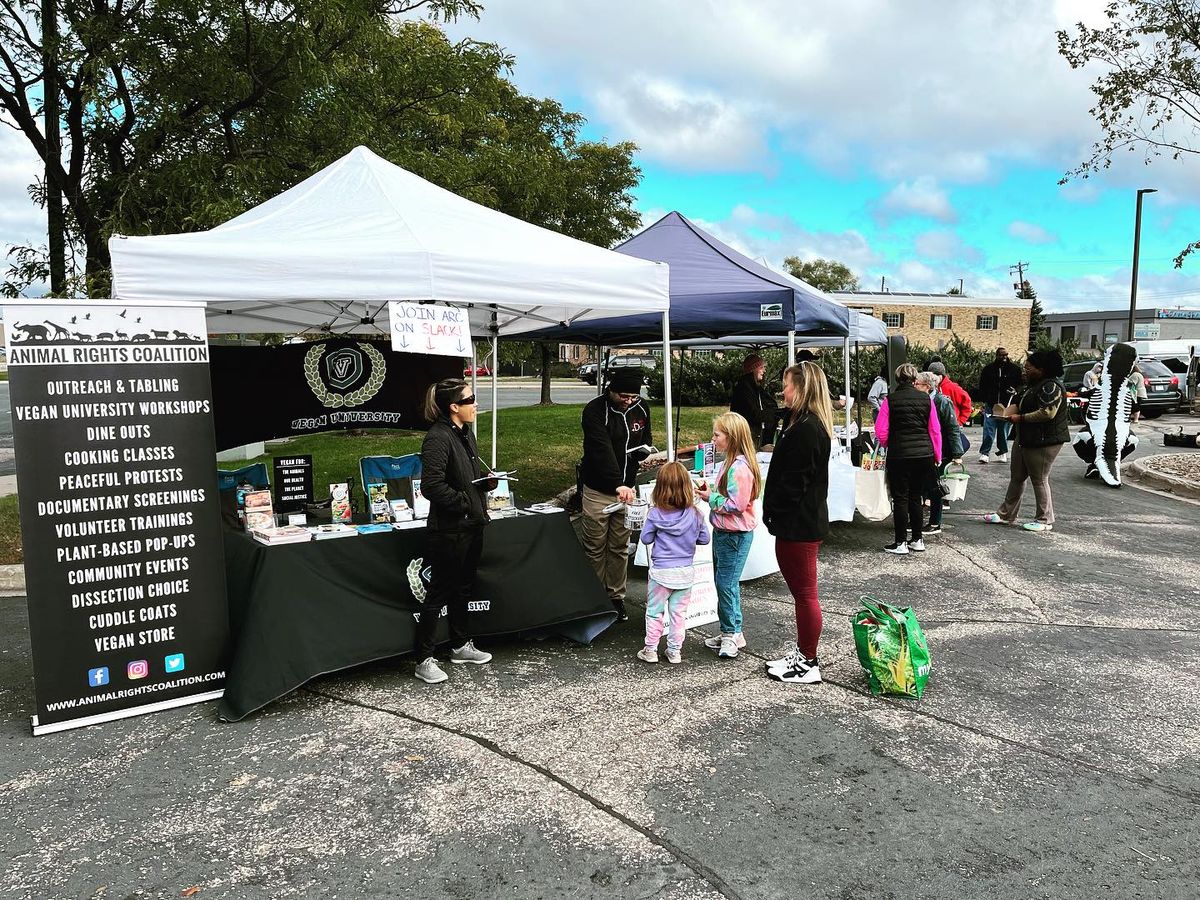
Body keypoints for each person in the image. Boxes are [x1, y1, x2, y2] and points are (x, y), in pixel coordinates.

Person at [413, 379, 496, 684]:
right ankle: (424, 658)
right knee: (438, 593)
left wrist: (485, 482)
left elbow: (466, 477)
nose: (476, 404)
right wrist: (464, 501)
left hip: (472, 523)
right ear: (454, 407)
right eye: (470, 399)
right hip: (449, 529)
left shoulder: (465, 434)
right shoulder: (437, 438)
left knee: (464, 587)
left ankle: (460, 645)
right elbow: (431, 486)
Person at [761, 362, 833, 685]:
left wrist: (774, 511)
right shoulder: (801, 422)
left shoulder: (807, 428)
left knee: (806, 594)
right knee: (801, 593)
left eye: (787, 385)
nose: (783, 390)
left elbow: (794, 482)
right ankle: (803, 653)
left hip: (799, 525)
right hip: (794, 524)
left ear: (802, 388)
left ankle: (808, 661)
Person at [578, 367, 653, 621]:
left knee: (620, 546)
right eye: (624, 396)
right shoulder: (595, 410)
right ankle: (593, 597)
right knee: (595, 546)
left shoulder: (641, 409)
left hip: (627, 490)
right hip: (599, 489)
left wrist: (643, 452)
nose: (629, 401)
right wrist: (615, 483)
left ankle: (615, 597)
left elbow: (645, 437)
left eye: (633, 396)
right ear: (611, 390)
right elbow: (600, 449)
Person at [696, 412, 762, 659]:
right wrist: (711, 490)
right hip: (724, 533)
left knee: (726, 584)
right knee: (723, 583)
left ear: (731, 437)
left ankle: (731, 634)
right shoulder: (730, 464)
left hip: (734, 535)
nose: (713, 439)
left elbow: (736, 504)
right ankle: (731, 630)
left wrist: (709, 497)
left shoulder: (739, 469)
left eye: (717, 434)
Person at [984, 350, 1069, 532]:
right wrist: (1006, 413)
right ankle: (1006, 514)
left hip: (1044, 440)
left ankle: (1044, 519)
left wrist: (1020, 418)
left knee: (1039, 479)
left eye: (1028, 368)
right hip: (1026, 437)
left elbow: (1047, 412)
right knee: (1017, 476)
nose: (1024, 370)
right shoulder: (1033, 385)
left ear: (1042, 369)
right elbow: (1021, 404)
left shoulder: (1051, 386)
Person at [637, 461, 710, 664]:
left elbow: (645, 539)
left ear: (659, 488)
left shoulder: (655, 514)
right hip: (685, 572)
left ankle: (650, 649)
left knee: (654, 612)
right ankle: (674, 651)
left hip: (661, 572)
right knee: (678, 615)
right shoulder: (696, 514)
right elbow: (704, 539)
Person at [874, 363, 942, 554]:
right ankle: (917, 539)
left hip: (900, 454)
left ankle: (900, 542)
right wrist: (936, 453)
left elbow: (881, 430)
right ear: (915, 379)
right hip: (924, 454)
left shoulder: (890, 400)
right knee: (916, 496)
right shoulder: (926, 399)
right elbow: (934, 430)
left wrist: (890, 443)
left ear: (897, 379)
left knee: (900, 498)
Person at [919, 371, 960, 537]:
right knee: (923, 486)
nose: (914, 386)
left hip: (940, 451)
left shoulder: (942, 401)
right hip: (925, 449)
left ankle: (935, 522)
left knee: (935, 487)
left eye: (917, 384)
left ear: (928, 386)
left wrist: (957, 453)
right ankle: (923, 520)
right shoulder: (925, 400)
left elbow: (952, 428)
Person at [978, 347, 1021, 464]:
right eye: (1002, 355)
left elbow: (1020, 384)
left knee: (1003, 430)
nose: (1004, 358)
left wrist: (1015, 391)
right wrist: (984, 400)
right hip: (991, 404)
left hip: (1006, 405)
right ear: (996, 355)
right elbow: (982, 386)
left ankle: (1002, 452)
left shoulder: (1014, 369)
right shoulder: (988, 369)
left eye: (1006, 355)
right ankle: (985, 453)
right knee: (988, 430)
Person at [729, 354, 781, 448]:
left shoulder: (753, 387)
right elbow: (754, 414)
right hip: (745, 435)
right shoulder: (745, 388)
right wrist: (777, 413)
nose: (764, 371)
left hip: (751, 434)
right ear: (753, 369)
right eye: (761, 367)